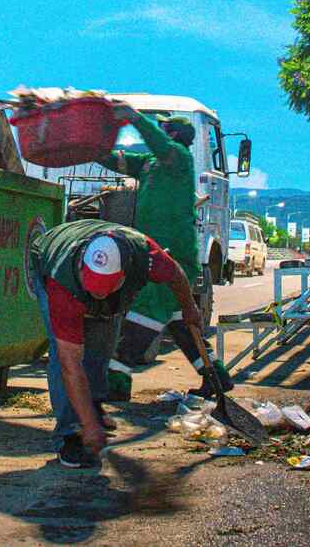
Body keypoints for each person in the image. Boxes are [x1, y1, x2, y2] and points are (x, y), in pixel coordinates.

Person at [28, 218, 202, 468]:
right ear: (81, 269)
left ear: (124, 274)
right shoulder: (61, 282)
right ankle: (70, 435)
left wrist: (190, 308)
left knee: (102, 347)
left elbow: (176, 275)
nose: (96, 296)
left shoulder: (147, 257)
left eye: (104, 290)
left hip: (109, 275)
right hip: (51, 257)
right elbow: (70, 366)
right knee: (62, 357)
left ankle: (94, 406)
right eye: (93, 290)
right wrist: (87, 427)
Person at [100, 104, 232, 403]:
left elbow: (160, 145)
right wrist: (90, 148)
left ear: (172, 134)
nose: (158, 130)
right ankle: (217, 377)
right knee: (183, 326)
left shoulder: (180, 158)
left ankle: (117, 381)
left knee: (143, 315)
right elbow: (116, 162)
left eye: (163, 128)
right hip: (158, 250)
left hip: (172, 255)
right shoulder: (148, 162)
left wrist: (135, 118)